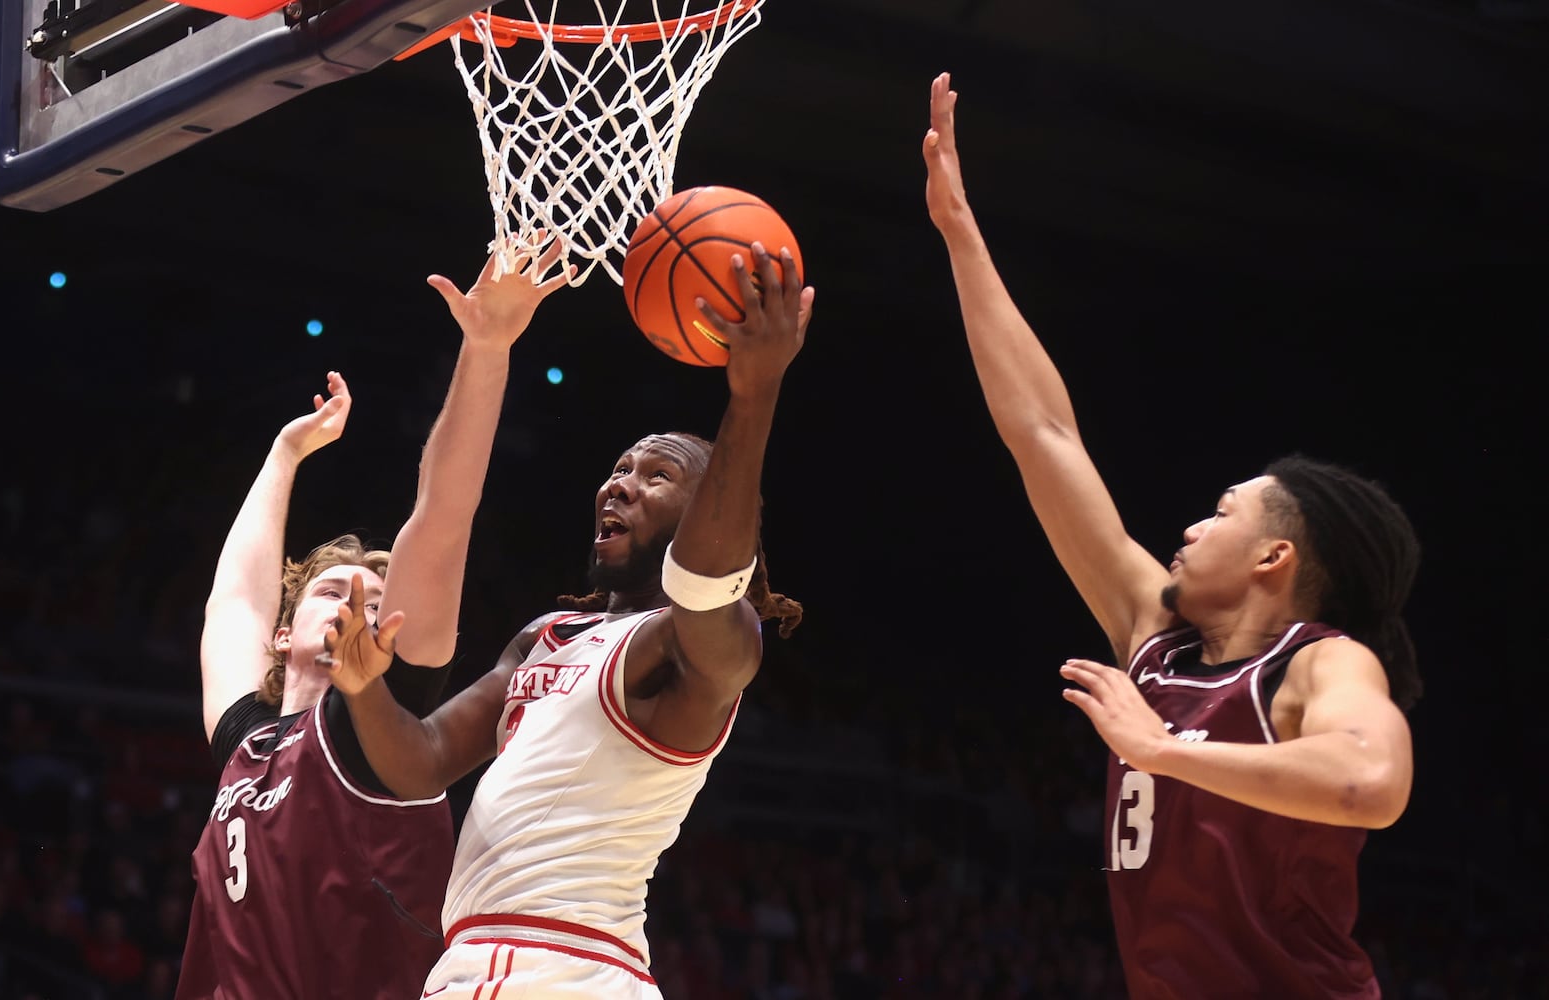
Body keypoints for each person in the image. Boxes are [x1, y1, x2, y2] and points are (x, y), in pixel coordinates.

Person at [921, 72, 1423, 998]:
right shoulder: (1156, 642)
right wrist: (960, 233)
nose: (1192, 525)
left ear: (1278, 558)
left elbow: (1373, 784)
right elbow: (1044, 435)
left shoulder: (1320, 664)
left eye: (1224, 511)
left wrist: (1163, 752)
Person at [321, 240, 813, 998]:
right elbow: (418, 761)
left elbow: (707, 583)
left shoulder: (700, 646)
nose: (621, 485)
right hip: (490, 962)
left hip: (558, 964)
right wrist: (363, 688)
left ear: (709, 508)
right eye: (618, 469)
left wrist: (753, 397)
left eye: (658, 475)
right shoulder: (547, 636)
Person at [173, 239, 575, 1000]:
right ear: (283, 635)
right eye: (333, 590)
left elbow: (443, 515)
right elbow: (232, 604)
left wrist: (485, 351)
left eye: (372, 594)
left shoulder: (380, 733)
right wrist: (284, 457)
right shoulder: (247, 741)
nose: (358, 601)